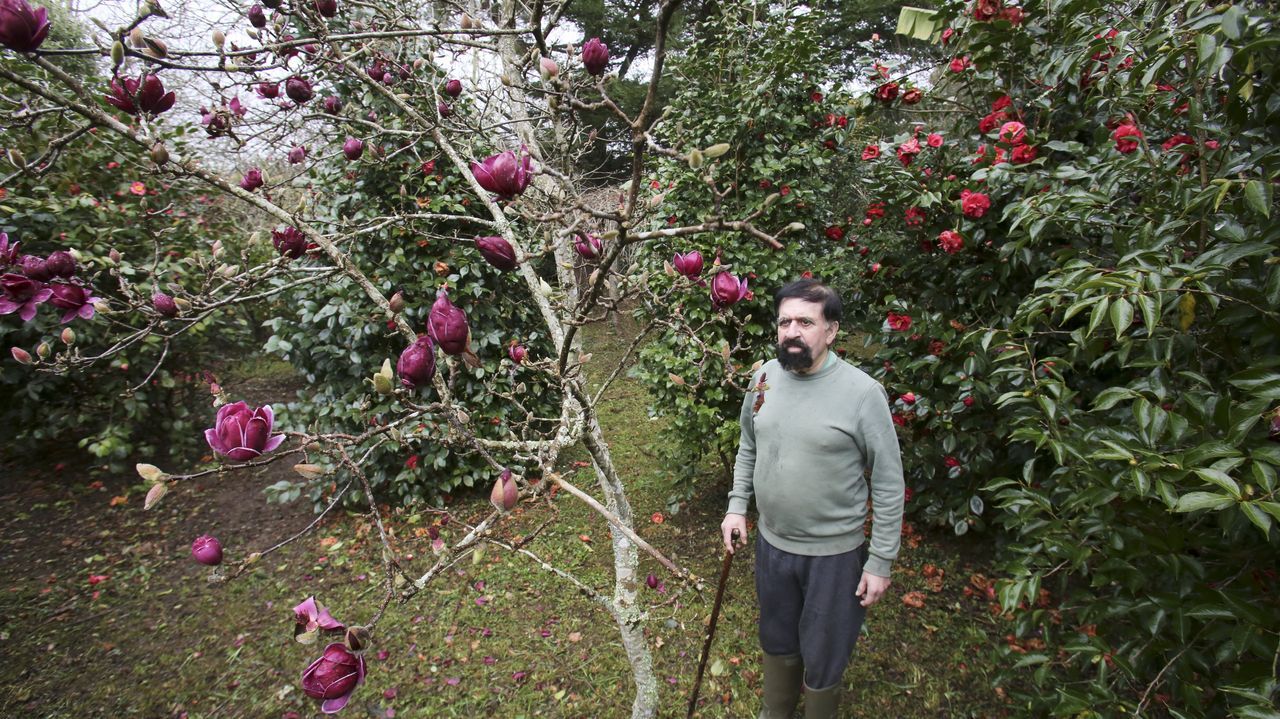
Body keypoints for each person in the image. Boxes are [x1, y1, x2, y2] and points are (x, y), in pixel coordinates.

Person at [720, 278, 905, 719]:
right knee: (777, 638)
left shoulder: (862, 394)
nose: (792, 331)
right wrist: (736, 506)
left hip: (834, 556)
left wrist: (879, 561)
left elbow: (888, 481)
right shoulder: (763, 377)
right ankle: (776, 712)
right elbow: (749, 444)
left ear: (831, 331)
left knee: (824, 652)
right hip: (773, 544)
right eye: (785, 321)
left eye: (806, 321)